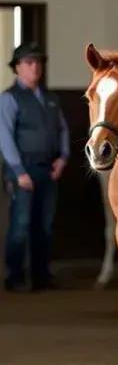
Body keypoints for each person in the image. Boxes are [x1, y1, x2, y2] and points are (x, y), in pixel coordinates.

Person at [0, 43, 68, 292]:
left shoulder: (51, 99)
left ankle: (42, 275)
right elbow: (5, 137)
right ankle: (14, 276)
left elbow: (62, 129)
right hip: (23, 168)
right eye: (29, 62)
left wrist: (63, 158)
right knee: (21, 224)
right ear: (17, 67)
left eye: (38, 62)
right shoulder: (9, 98)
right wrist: (18, 171)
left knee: (45, 225)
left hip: (48, 168)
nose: (35, 67)